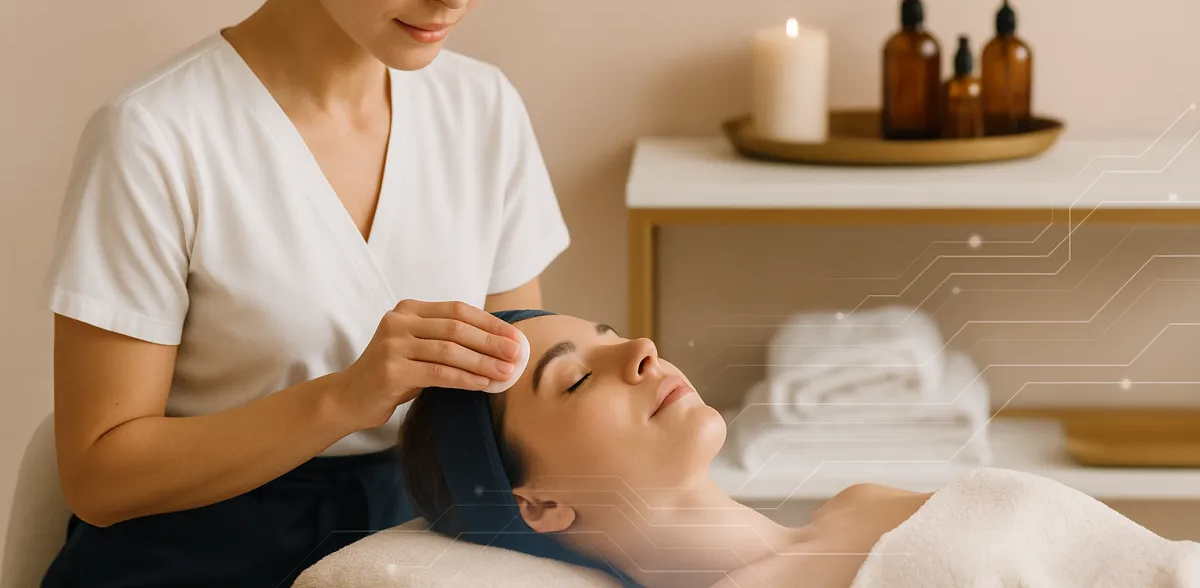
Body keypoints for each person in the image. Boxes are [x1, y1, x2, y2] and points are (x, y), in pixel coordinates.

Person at [38, 0, 563, 585]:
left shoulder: (482, 109)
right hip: (189, 560)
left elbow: (513, 403)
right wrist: (347, 397)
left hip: (412, 553)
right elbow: (99, 476)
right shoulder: (156, 135)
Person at [398, 311, 1200, 588]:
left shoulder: (862, 501)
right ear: (537, 503)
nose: (640, 348)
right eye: (574, 380)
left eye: (610, 333)